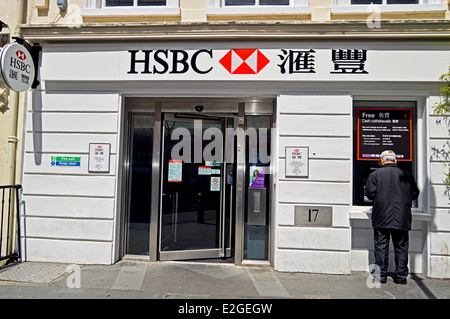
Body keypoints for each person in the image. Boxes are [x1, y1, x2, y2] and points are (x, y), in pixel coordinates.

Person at [365, 150, 420, 284]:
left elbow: (370, 194)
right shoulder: (407, 176)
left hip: (381, 216)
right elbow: (414, 193)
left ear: (382, 160)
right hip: (402, 217)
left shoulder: (375, 175)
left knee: (381, 246)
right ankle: (401, 277)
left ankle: (380, 276)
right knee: (401, 247)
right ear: (395, 160)